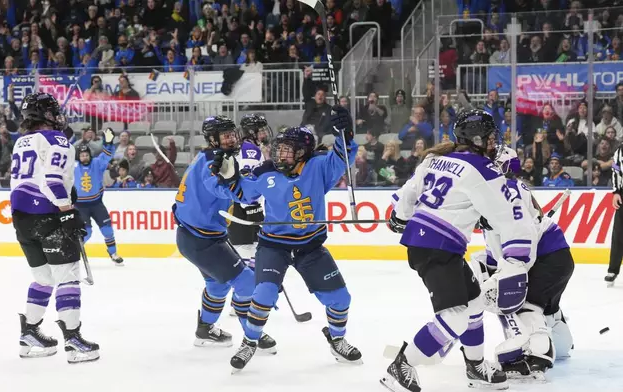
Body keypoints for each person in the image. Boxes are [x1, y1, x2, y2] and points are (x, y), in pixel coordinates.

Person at [383, 109, 537, 391]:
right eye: (491, 138)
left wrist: (398, 217)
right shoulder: (482, 168)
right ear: (477, 139)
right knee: (454, 316)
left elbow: (408, 195)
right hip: (437, 248)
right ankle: (402, 364)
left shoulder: (435, 158)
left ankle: (475, 366)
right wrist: (517, 259)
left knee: (474, 302)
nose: (494, 143)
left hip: (431, 245)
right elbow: (510, 216)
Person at [208, 107, 362, 372]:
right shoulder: (266, 172)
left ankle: (337, 339)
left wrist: (344, 134)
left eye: (287, 150)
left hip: (310, 247)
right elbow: (243, 194)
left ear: (302, 152)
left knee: (341, 299)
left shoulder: (319, 167)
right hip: (274, 245)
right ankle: (249, 341)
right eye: (278, 149)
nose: (279, 155)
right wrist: (228, 177)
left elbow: (343, 155)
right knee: (264, 293)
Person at [172, 115, 277, 352]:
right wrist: (261, 176)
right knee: (247, 283)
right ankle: (252, 334)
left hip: (200, 235)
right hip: (201, 240)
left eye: (233, 134)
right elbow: (232, 191)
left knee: (218, 285)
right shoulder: (214, 162)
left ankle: (205, 330)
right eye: (225, 136)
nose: (232, 139)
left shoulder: (213, 157)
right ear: (212, 139)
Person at [472, 146, 574, 381]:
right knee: (546, 310)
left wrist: (505, 276)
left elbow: (523, 240)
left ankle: (538, 354)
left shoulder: (507, 190)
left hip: (546, 258)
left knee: (524, 304)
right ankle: (561, 342)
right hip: (556, 257)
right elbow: (495, 248)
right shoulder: (503, 192)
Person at [11, 92, 99, 364]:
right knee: (68, 277)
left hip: (22, 220)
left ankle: (30, 334)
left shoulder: (20, 142)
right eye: (52, 111)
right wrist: (68, 211)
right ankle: (73, 340)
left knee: (44, 278)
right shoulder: (56, 139)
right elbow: (51, 181)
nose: (57, 114)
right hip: (48, 216)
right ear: (42, 115)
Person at [74, 129, 123, 265]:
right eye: (82, 155)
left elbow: (108, 154)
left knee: (107, 230)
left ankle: (113, 253)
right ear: (79, 156)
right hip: (80, 206)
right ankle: (73, 254)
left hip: (96, 204)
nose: (84, 157)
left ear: (90, 155)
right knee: (86, 233)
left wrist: (108, 142)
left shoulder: (97, 163)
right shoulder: (73, 166)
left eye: (86, 155)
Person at [229, 114, 272, 265]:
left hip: (244, 206)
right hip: (244, 208)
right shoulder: (250, 150)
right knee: (246, 258)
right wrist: (252, 207)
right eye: (261, 130)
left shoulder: (247, 148)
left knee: (252, 256)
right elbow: (246, 177)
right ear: (251, 132)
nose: (264, 133)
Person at [606, 144, 623, 284]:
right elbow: (615, 168)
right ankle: (613, 269)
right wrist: (616, 192)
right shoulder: (620, 150)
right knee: (618, 234)